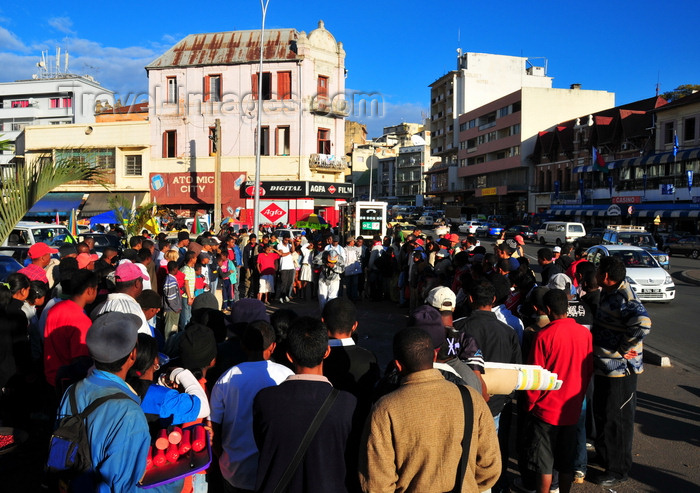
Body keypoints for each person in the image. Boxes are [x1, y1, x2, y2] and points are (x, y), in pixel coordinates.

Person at [359, 327, 500, 493]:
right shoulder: (471, 398)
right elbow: (490, 467)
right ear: (434, 356)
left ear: (398, 365)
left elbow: (377, 484)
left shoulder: (385, 409)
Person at [252, 317, 356, 493]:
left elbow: (261, 443)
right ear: (327, 352)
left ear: (289, 356)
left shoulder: (265, 400)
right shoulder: (348, 404)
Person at [54, 312, 151, 491]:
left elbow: (60, 448)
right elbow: (124, 486)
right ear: (133, 355)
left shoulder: (72, 390)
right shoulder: (129, 414)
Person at [210, 321, 294, 493]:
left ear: (242, 345)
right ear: (273, 346)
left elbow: (214, 430)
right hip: (276, 473)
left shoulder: (226, 378)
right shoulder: (287, 375)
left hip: (235, 472)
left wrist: (223, 458)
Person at [524, 289, 593, 493]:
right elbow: (588, 370)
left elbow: (535, 379)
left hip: (546, 410)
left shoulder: (543, 336)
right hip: (572, 408)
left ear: (547, 310)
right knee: (565, 462)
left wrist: (531, 405)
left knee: (544, 465)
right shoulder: (585, 334)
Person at [590, 256, 651, 488]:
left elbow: (643, 323)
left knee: (618, 421)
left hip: (621, 372)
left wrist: (624, 348)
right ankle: (605, 456)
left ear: (606, 276)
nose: (595, 274)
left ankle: (618, 469)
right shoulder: (609, 291)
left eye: (598, 271)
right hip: (605, 368)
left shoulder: (624, 297)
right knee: (603, 415)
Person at [43, 269, 98, 390]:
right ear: (90, 290)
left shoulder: (55, 308)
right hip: (68, 384)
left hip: (51, 377)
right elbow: (81, 361)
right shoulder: (82, 320)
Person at [90, 262, 151, 335]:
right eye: (142, 281)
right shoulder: (131, 310)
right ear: (137, 283)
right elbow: (142, 341)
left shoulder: (100, 306)